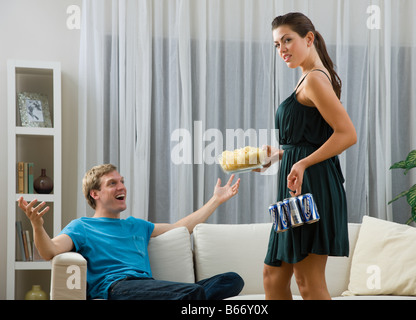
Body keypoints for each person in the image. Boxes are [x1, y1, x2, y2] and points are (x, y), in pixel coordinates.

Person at [18, 163, 244, 300]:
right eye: (112, 183)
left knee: (232, 280)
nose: (121, 187)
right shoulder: (82, 226)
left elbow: (180, 228)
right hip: (118, 288)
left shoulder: (136, 225)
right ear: (95, 194)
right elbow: (50, 251)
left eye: (122, 181)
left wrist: (215, 200)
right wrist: (38, 226)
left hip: (149, 285)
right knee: (192, 294)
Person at [257, 12, 357, 300]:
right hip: (296, 189)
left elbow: (347, 134)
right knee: (273, 275)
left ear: (308, 38)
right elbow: (309, 138)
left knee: (307, 281)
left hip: (313, 187)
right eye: (277, 44)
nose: (282, 49)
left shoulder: (314, 79)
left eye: (287, 40)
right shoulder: (305, 78)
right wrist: (277, 156)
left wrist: (301, 162)